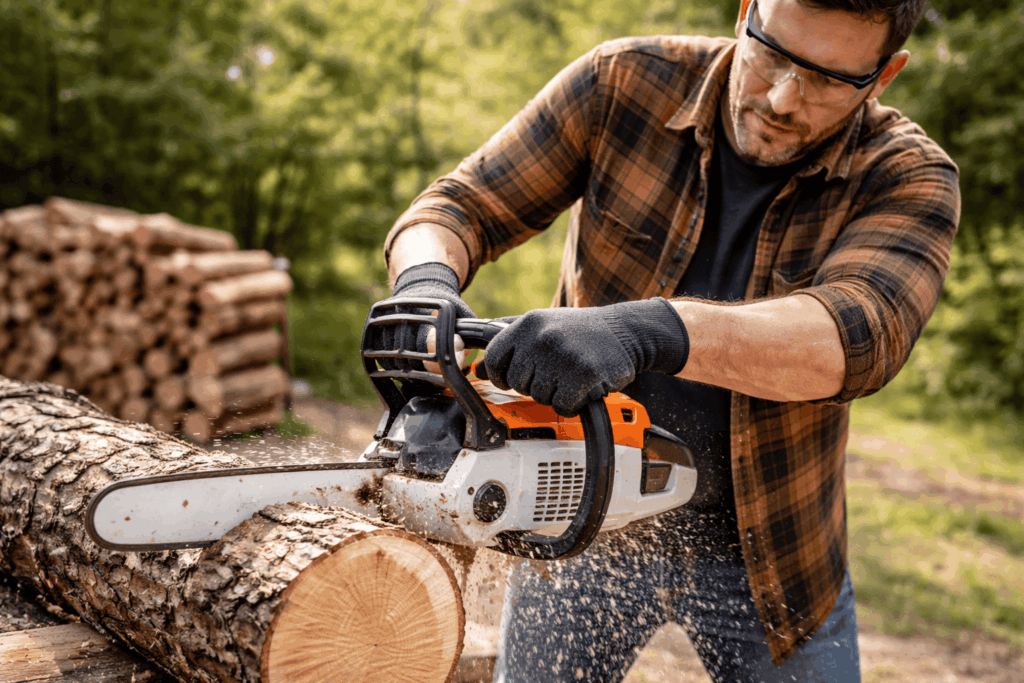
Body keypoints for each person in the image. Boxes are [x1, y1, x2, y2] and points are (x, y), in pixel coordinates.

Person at [378, 0, 960, 680]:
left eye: (828, 80)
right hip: (581, 512)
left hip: (773, 547)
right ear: (746, 12)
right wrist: (426, 282)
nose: (783, 98)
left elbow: (856, 336)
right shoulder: (623, 83)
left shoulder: (907, 173)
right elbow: (459, 206)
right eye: (772, 55)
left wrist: (646, 330)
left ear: (884, 74)